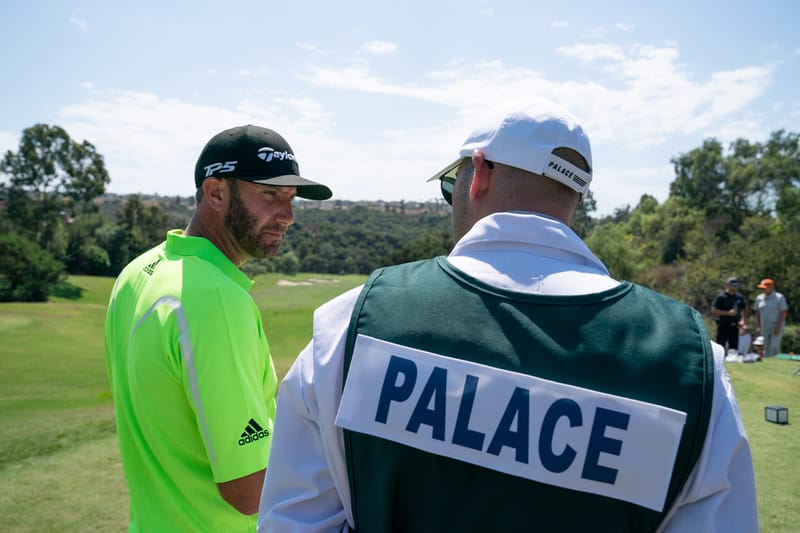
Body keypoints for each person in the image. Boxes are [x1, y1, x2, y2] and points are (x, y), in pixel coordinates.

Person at [257, 103, 758, 532]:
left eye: (453, 182)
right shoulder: (693, 363)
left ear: (480, 172)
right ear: (574, 196)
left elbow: (293, 519)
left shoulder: (350, 322)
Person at [104, 124, 332, 531]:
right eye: (270, 194)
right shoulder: (216, 300)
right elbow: (247, 489)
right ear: (216, 193)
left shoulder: (137, 273)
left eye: (291, 198)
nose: (288, 216)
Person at [710, 277, 748, 353]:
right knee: (720, 346)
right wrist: (728, 313)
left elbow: (745, 308)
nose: (735, 287)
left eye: (736, 285)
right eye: (733, 285)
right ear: (727, 285)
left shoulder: (739, 297)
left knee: (734, 348)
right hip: (723, 325)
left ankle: (733, 361)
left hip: (735, 326)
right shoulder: (721, 297)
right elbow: (713, 310)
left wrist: (743, 321)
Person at [754, 278, 789, 357]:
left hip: (776, 326)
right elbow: (757, 312)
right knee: (765, 346)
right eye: (761, 288)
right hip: (764, 326)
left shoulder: (779, 297)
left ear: (771, 287)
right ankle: (768, 362)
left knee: (774, 346)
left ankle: (776, 362)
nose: (762, 290)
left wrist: (779, 326)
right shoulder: (759, 298)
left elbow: (784, 312)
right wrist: (758, 326)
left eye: (764, 288)